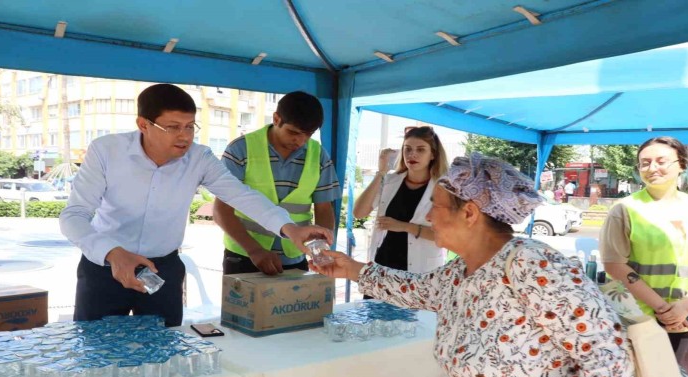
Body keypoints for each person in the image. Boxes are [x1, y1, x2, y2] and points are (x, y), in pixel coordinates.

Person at [311, 153, 633, 377]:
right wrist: (351, 269)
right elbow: (416, 288)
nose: (426, 215)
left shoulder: (532, 264)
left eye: (434, 206)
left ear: (469, 213)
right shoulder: (460, 270)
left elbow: (608, 352)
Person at [60, 84, 331, 327]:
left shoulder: (199, 157)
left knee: (164, 355)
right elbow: (74, 216)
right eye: (173, 127)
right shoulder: (106, 151)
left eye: (190, 126)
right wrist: (112, 253)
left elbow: (242, 195)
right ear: (143, 124)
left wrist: (289, 229)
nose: (185, 136)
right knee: (95, 349)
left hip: (162, 270)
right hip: (105, 267)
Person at [600, 136, 688, 355]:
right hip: (634, 318)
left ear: (681, 164)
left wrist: (683, 307)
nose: (652, 168)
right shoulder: (625, 209)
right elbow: (614, 265)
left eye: (661, 161)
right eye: (644, 163)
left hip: (682, 320)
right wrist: (663, 309)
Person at [214, 91, 341, 275]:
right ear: (276, 119)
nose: (300, 140)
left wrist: (321, 253)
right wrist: (254, 250)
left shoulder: (318, 155)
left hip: (295, 256)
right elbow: (221, 211)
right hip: (243, 255)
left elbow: (324, 208)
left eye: (308, 134)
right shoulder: (241, 149)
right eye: (293, 132)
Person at [353, 126, 448, 277]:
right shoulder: (390, 181)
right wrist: (381, 173)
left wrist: (404, 227)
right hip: (382, 266)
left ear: (433, 155)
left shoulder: (444, 188)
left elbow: (447, 237)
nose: (412, 154)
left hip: (420, 271)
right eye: (407, 149)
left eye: (421, 149)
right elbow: (359, 213)